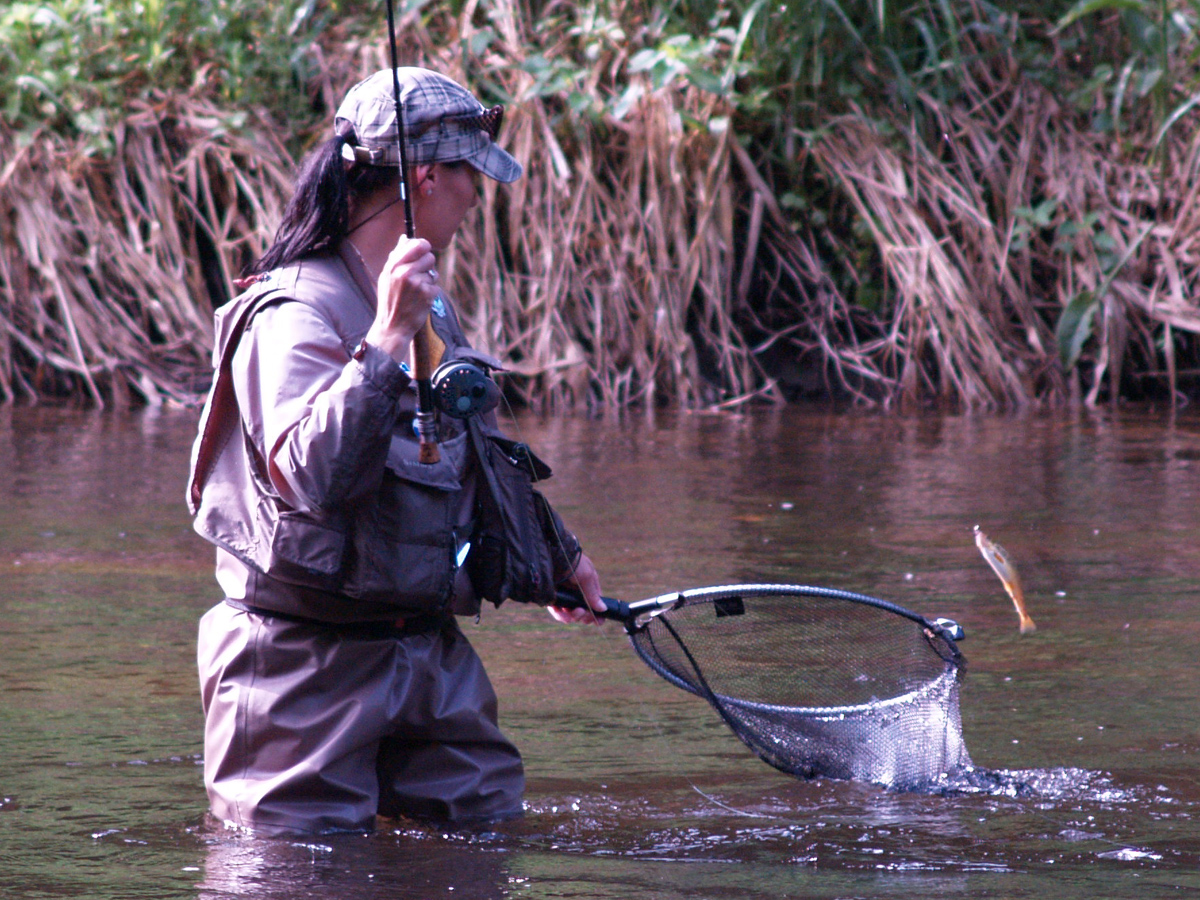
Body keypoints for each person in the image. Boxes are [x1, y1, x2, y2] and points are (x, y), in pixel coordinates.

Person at [186, 67, 605, 836]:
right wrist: (384, 341)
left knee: (483, 847)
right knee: (295, 878)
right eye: (470, 176)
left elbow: (467, 452)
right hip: (299, 671)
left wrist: (553, 556)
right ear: (426, 177)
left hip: (425, 655)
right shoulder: (292, 313)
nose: (478, 197)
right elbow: (311, 475)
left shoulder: (428, 301)